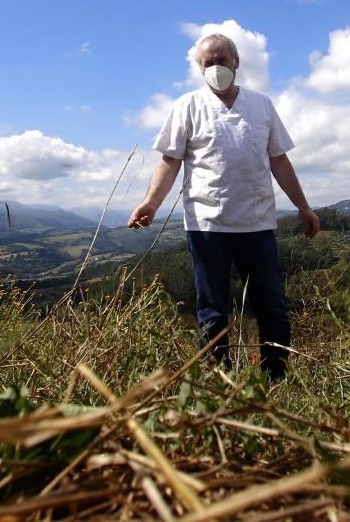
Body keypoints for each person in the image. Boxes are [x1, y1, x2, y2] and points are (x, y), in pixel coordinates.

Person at [129, 33, 321, 379]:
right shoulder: (187, 106)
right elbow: (170, 161)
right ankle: (219, 384)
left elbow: (279, 160)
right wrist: (151, 202)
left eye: (222, 60)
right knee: (213, 312)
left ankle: (274, 381)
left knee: (272, 308)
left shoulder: (261, 105)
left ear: (236, 62)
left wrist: (303, 206)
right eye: (208, 62)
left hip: (258, 224)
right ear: (199, 68)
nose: (216, 67)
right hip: (207, 226)